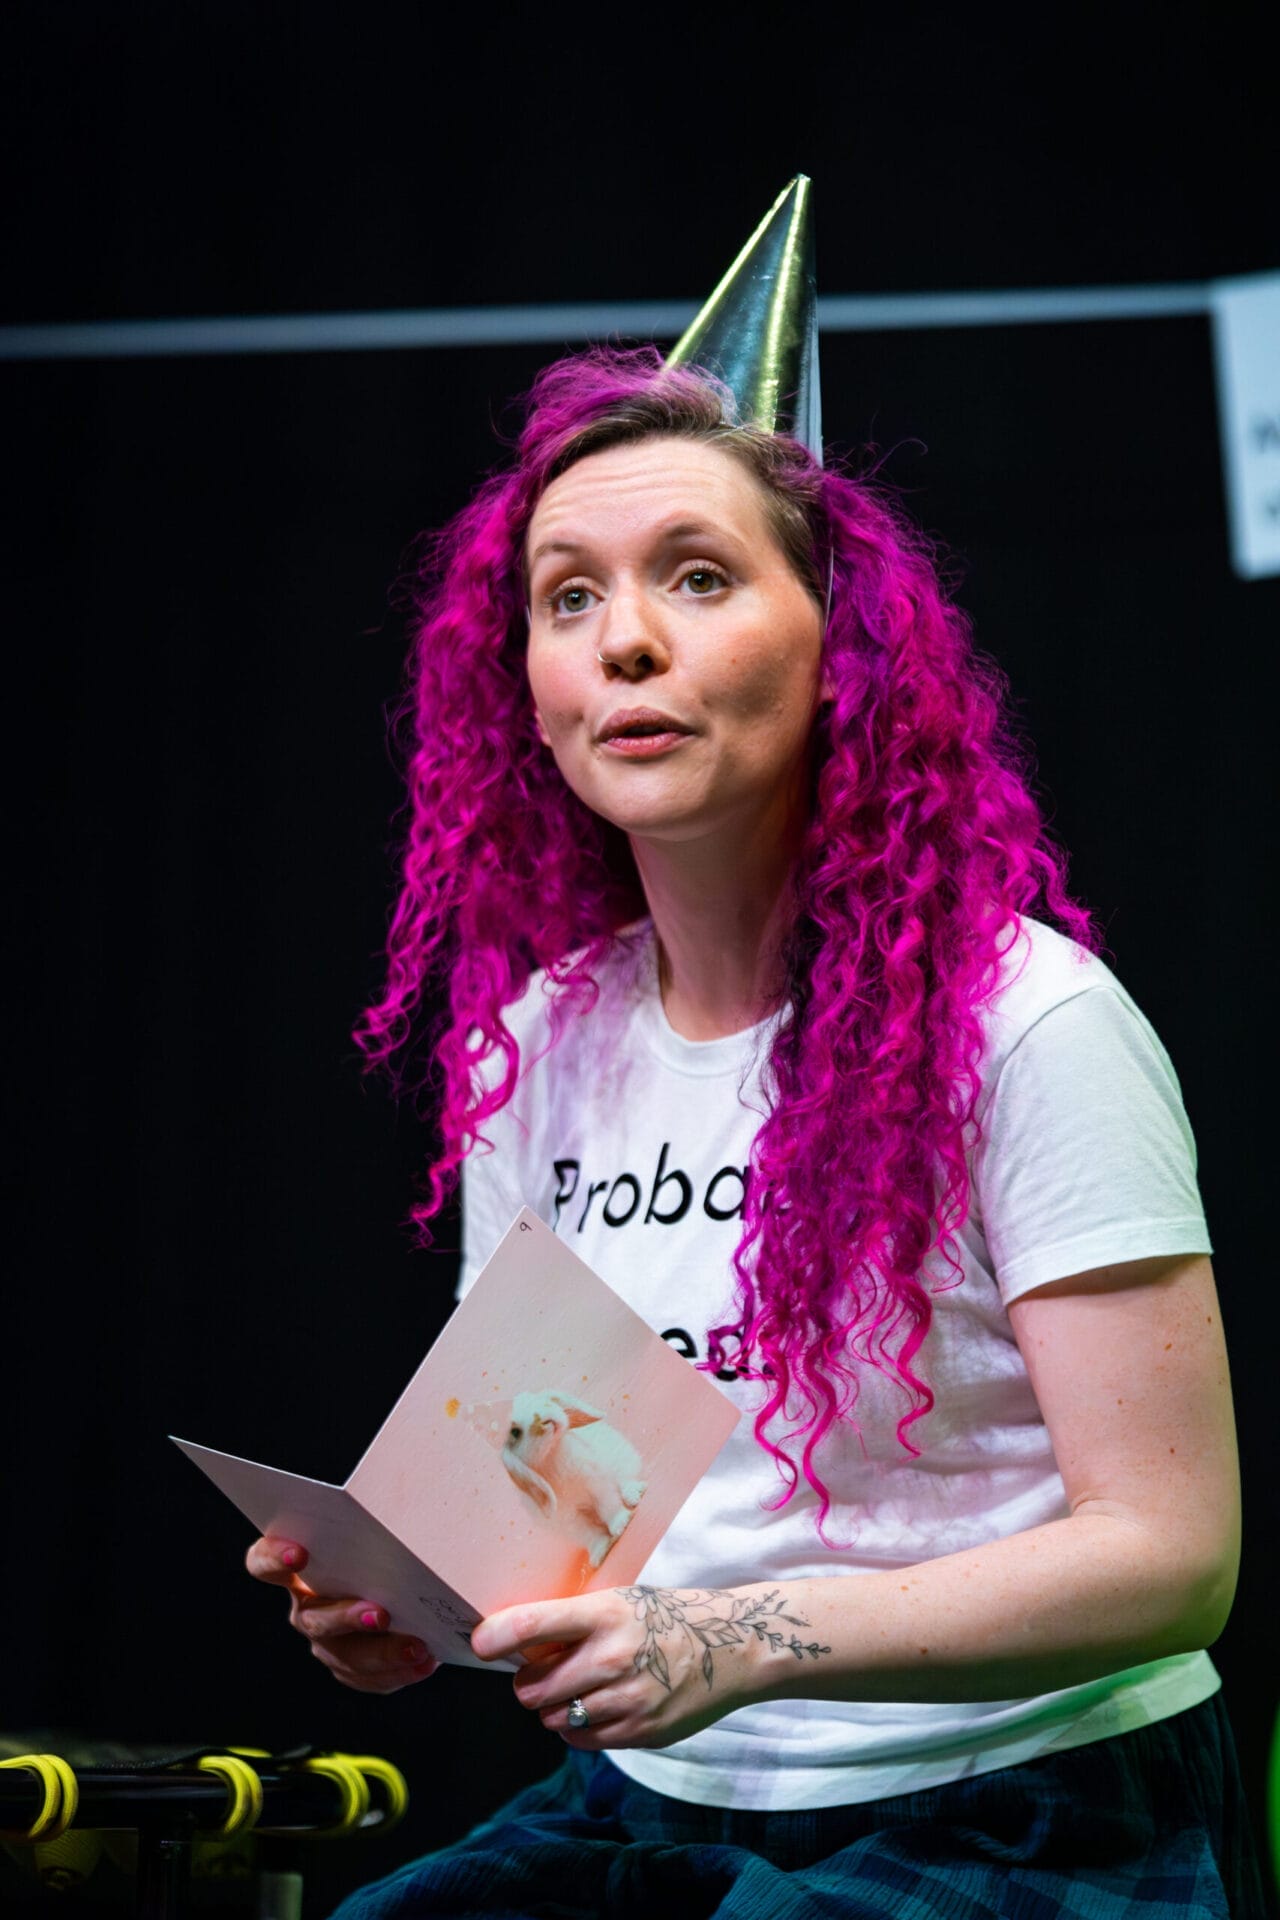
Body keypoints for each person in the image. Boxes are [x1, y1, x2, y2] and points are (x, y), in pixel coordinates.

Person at [246, 184, 1263, 1916]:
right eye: (569, 599)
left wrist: (740, 1645)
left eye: (696, 579)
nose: (624, 638)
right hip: (650, 1810)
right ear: (529, 688)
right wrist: (413, 1603)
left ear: (840, 652)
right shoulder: (541, 1042)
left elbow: (1172, 1563)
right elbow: (545, 1501)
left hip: (1015, 1813)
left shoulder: (1029, 1023)